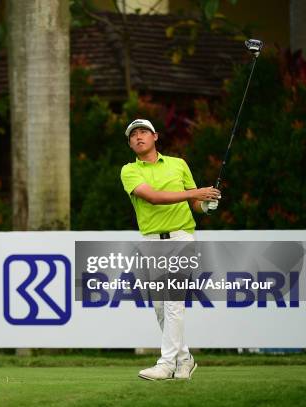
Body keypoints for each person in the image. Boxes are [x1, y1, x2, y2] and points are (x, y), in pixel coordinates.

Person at [120, 119, 221, 381]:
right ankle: (185, 359)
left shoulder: (178, 164)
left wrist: (206, 204)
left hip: (181, 237)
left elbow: (195, 203)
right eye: (133, 135)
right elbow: (152, 197)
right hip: (151, 240)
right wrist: (196, 194)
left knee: (173, 303)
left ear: (155, 136)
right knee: (160, 308)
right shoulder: (129, 171)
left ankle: (165, 364)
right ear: (130, 143)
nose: (138, 137)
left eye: (143, 132)